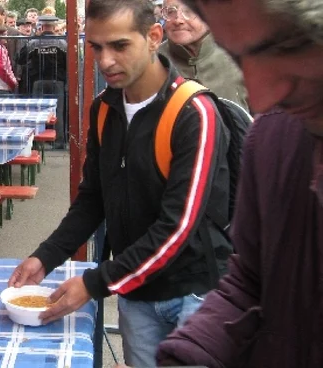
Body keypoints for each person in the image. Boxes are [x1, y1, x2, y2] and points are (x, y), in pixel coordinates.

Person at [7, 0, 231, 366]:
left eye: (120, 45)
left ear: (154, 37)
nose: (105, 60)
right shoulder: (103, 109)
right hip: (135, 292)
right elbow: (93, 198)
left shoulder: (194, 113)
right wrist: (46, 257)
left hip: (196, 292)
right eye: (96, 47)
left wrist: (95, 283)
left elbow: (178, 228)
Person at [155, 0, 323, 366]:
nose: (261, 97)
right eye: (238, 56)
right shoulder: (272, 136)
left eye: (283, 48)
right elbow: (251, 279)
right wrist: (190, 353)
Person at [158, 0, 248, 110]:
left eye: (189, 11)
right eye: (170, 11)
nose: (178, 20)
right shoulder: (154, 61)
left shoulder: (239, 54)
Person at [0, 26, 18, 95]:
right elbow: (0, 68)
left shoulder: (2, 48)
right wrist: (11, 82)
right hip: (1, 87)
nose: (6, 37)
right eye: (4, 35)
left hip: (5, 86)